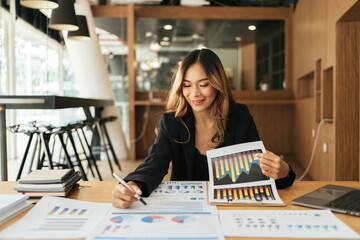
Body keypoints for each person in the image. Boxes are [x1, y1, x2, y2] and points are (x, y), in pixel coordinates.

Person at [112, 48, 296, 209]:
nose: (194, 93)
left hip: (231, 207)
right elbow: (155, 163)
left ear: (218, 84)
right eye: (187, 85)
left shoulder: (240, 116)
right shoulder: (172, 122)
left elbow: (259, 170)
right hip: (187, 207)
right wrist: (133, 184)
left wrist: (284, 172)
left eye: (204, 84)